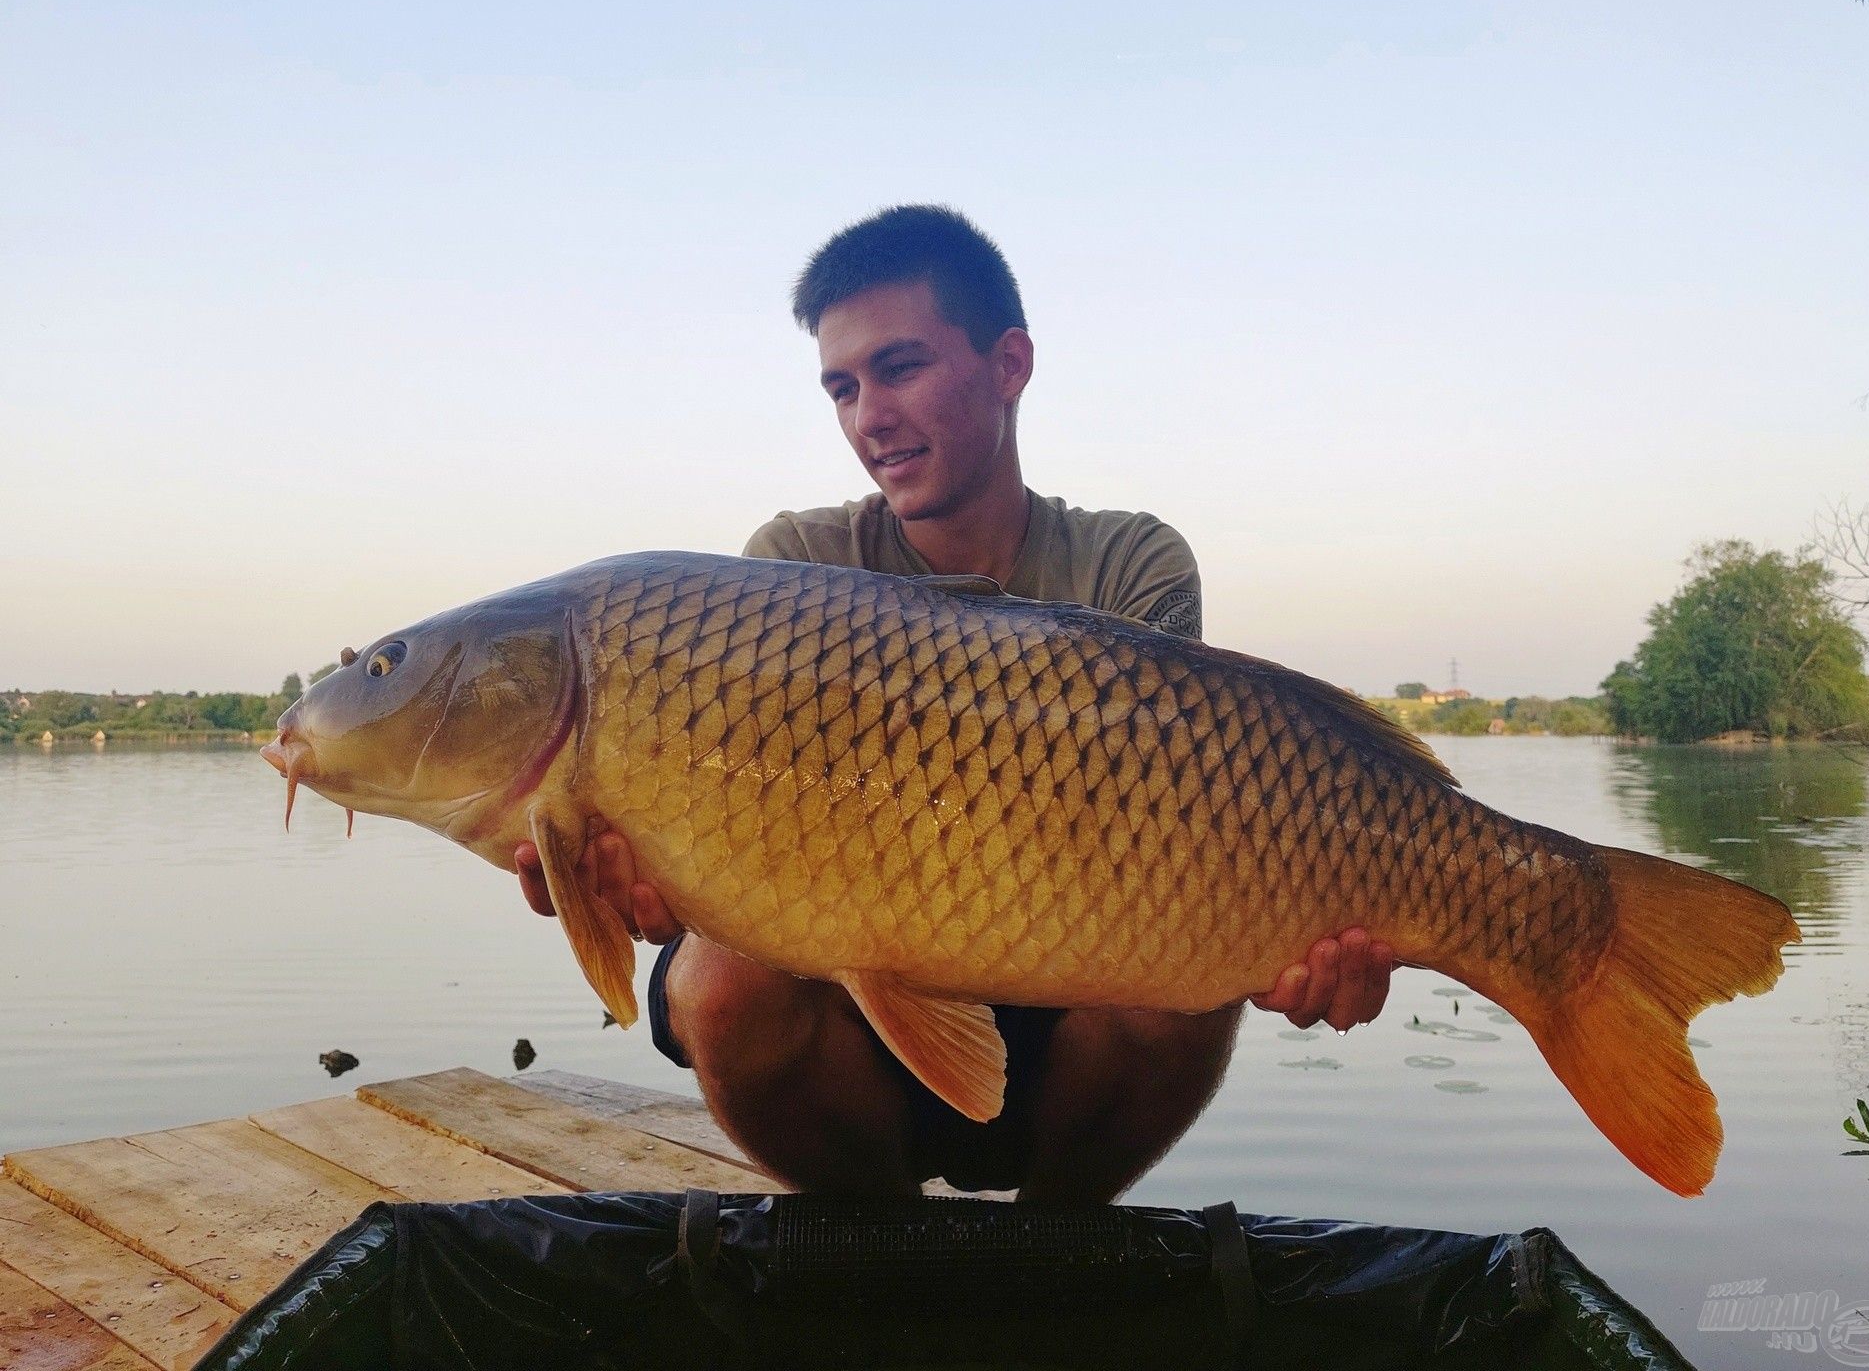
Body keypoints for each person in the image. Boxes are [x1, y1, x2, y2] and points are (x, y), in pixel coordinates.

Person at [515, 206, 1396, 1202]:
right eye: (842, 388)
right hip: (851, 1026)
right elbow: (742, 846)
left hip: (1070, 1012)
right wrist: (645, 871)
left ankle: (1050, 1249)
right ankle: (878, 1250)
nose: (868, 418)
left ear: (1009, 365)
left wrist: (1294, 939)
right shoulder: (794, 568)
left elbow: (1185, 829)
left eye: (899, 369)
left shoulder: (1130, 564)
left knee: (1191, 977)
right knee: (717, 982)